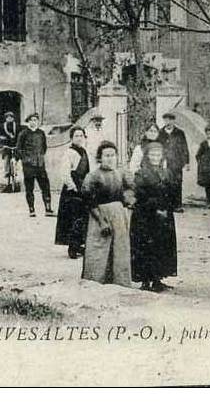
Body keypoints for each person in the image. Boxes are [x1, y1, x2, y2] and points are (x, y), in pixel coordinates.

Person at [79, 141, 134, 288]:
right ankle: (94, 283)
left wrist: (128, 203)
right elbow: (88, 200)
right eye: (107, 155)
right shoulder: (93, 176)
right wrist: (102, 221)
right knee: (98, 251)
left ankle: (119, 283)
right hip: (99, 216)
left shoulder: (120, 174)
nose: (110, 158)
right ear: (100, 158)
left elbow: (129, 190)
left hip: (119, 216)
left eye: (113, 155)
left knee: (119, 249)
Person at [131, 141, 179, 292]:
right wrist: (155, 208)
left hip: (164, 216)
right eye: (152, 154)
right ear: (147, 156)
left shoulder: (167, 172)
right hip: (146, 217)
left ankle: (157, 279)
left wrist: (167, 208)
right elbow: (140, 195)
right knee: (147, 247)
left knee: (162, 246)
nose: (155, 157)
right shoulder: (141, 173)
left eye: (158, 154)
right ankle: (146, 280)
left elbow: (173, 193)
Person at [55, 127, 92, 259]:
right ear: (72, 138)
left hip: (84, 188)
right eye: (76, 136)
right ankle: (72, 247)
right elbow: (64, 173)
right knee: (72, 218)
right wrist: (73, 186)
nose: (79, 138)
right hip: (73, 190)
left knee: (82, 217)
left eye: (81, 135)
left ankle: (79, 244)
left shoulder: (84, 152)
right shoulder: (69, 153)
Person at [17, 113, 53, 218]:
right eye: (31, 120)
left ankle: (48, 208)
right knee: (29, 188)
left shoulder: (41, 133)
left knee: (45, 186)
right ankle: (31, 209)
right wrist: (26, 159)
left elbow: (44, 147)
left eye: (35, 120)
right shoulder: (23, 133)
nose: (34, 122)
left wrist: (40, 158)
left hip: (40, 165)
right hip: (28, 166)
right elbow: (19, 149)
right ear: (28, 121)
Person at [158, 112, 190, 213]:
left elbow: (184, 147)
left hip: (176, 162)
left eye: (170, 120)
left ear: (173, 121)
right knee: (164, 182)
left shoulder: (180, 133)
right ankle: (165, 204)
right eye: (166, 120)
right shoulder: (160, 133)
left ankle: (177, 205)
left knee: (177, 182)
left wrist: (187, 162)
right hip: (164, 162)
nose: (168, 122)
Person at [195, 124, 210, 209]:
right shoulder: (203, 144)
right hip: (207, 168)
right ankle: (209, 201)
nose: (209, 135)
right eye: (208, 133)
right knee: (208, 185)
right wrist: (202, 163)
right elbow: (198, 155)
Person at [0, 111, 19, 192]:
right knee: (6, 158)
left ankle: (15, 170)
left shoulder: (16, 126)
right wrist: (1, 138)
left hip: (15, 145)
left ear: (13, 118)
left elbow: (20, 134)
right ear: (5, 119)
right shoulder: (2, 126)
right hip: (6, 145)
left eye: (11, 117)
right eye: (8, 117)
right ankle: (6, 171)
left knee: (16, 158)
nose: (9, 119)